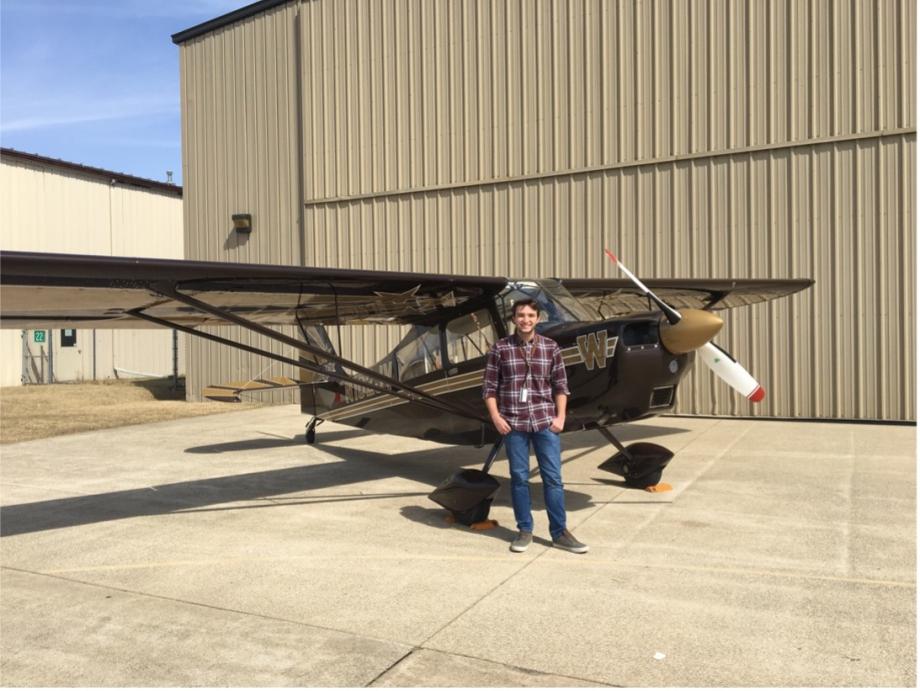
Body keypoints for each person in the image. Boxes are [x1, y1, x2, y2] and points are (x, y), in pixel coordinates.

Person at [482, 298, 588, 554]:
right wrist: (497, 418)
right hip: (514, 423)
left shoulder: (551, 348)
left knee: (553, 479)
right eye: (521, 315)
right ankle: (524, 530)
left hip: (544, 422)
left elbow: (561, 386)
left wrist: (560, 417)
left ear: (538, 319)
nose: (525, 320)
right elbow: (489, 388)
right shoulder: (500, 349)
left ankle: (559, 532)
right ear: (513, 318)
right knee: (519, 478)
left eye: (530, 315)